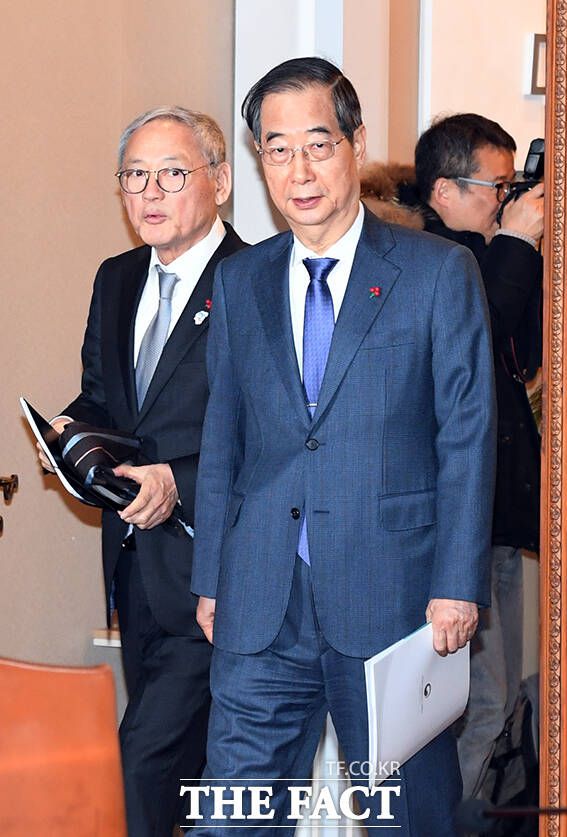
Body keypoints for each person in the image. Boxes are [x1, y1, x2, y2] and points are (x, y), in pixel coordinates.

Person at [189, 58, 496, 835]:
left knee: (407, 820)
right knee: (231, 819)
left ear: (355, 143)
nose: (299, 170)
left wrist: (457, 582)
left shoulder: (436, 272)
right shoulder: (240, 282)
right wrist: (211, 577)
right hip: (261, 600)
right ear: (260, 160)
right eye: (278, 149)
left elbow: (465, 434)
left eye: (318, 145)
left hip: (395, 601)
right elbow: (225, 434)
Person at [37, 106, 245, 836]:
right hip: (133, 566)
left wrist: (177, 479)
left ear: (220, 182)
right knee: (179, 777)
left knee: (139, 766)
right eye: (134, 175)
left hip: (217, 573)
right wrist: (69, 433)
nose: (150, 193)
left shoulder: (256, 280)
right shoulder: (118, 277)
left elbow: (275, 434)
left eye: (172, 174)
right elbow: (104, 397)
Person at [413, 113, 543, 799]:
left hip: (497, 515)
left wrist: (523, 249)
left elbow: (527, 353)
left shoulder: (486, 253)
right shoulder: (424, 263)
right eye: (496, 185)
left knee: (498, 698)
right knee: (473, 704)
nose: (505, 199)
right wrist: (515, 246)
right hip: (456, 525)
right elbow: (474, 337)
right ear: (444, 191)